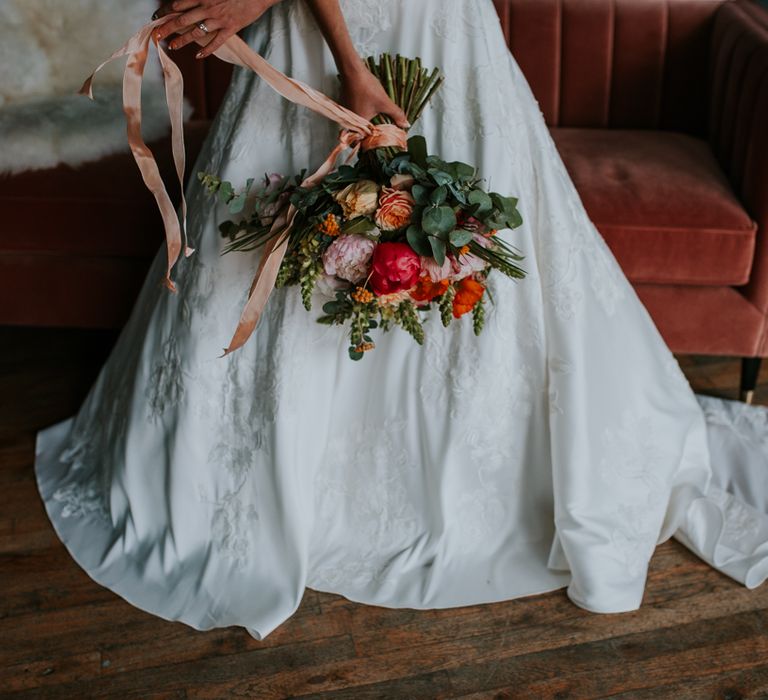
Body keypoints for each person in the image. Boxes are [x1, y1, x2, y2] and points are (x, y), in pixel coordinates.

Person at [34, 0, 768, 641]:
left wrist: (342, 56)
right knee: (297, 228)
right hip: (348, 27)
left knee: (442, 234)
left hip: (403, 31)